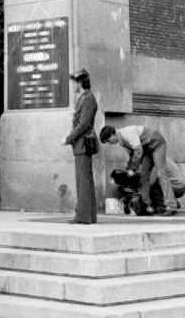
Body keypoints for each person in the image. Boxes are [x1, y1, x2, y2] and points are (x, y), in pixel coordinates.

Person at [100, 123, 178, 216]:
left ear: (112, 134)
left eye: (109, 140)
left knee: (161, 173)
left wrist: (133, 169)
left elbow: (138, 150)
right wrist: (129, 169)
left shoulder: (127, 133)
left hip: (156, 143)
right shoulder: (121, 141)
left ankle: (171, 206)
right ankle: (146, 206)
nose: (110, 143)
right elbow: (132, 155)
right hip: (146, 149)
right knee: (144, 177)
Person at [62, 68, 98, 225]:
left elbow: (83, 124)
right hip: (81, 144)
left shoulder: (88, 98)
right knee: (84, 180)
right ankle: (88, 215)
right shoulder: (84, 97)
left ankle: (83, 216)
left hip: (82, 144)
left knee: (83, 181)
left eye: (75, 83)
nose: (73, 86)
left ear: (80, 83)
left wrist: (68, 138)